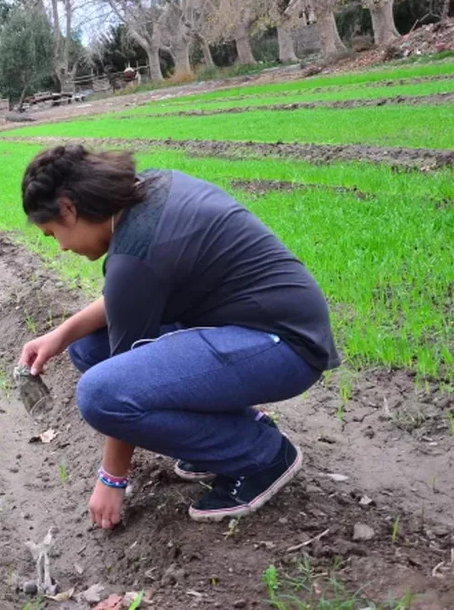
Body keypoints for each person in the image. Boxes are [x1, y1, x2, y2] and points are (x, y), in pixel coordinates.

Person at [17, 145, 339, 529]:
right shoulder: (148, 190)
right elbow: (126, 298)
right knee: (89, 346)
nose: (63, 247)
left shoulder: (135, 254)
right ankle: (235, 432)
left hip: (285, 346)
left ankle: (261, 456)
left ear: (69, 208)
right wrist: (62, 334)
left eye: (54, 233)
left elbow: (117, 382)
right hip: (254, 330)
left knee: (99, 395)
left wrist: (111, 479)